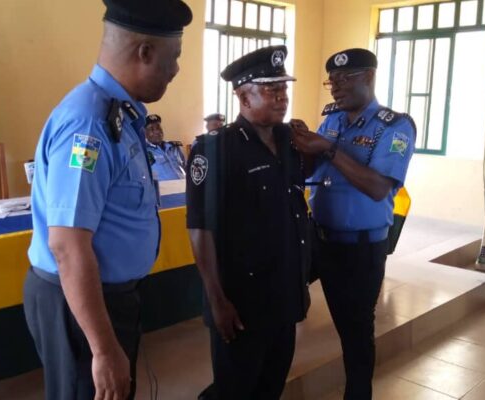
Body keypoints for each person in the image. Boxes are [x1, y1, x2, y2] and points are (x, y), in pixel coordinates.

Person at [23, 0, 192, 399]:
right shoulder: (90, 124)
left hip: (104, 297)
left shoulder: (121, 115)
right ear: (145, 52)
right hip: (79, 303)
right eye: (174, 58)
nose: (176, 70)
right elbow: (67, 245)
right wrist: (102, 348)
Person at [290, 48, 416, 400]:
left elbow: (378, 187)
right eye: (332, 80)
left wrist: (328, 149)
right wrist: (302, 147)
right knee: (278, 297)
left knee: (355, 332)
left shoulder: (394, 125)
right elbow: (310, 171)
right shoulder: (332, 119)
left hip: (360, 249)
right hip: (317, 239)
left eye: (346, 79)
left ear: (369, 77)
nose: (335, 87)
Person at [187, 45, 311, 400]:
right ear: (243, 96)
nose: (281, 98)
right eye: (271, 90)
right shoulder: (215, 149)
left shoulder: (290, 141)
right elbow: (200, 228)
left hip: (284, 295)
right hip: (241, 302)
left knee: (271, 385)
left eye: (284, 89)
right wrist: (216, 299)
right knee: (235, 389)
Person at [144, 113, 187, 180]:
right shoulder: (144, 152)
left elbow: (186, 167)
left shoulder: (174, 147)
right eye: (151, 129)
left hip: (183, 187)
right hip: (162, 189)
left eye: (158, 127)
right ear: (145, 133)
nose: (157, 131)